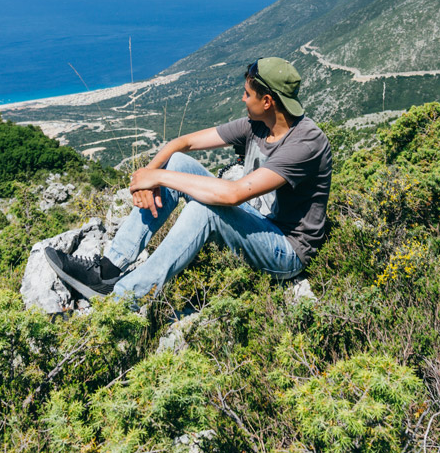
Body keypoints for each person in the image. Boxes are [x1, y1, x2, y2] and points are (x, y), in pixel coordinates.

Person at [44, 57, 332, 302]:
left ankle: (123, 299)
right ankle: (107, 270)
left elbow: (234, 194)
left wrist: (159, 176)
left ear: (267, 101)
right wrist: (146, 178)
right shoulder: (258, 124)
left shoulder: (306, 143)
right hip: (256, 220)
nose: (242, 99)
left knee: (203, 210)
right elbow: (183, 144)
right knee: (178, 162)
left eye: (247, 94)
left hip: (286, 249)